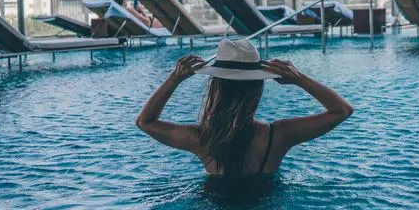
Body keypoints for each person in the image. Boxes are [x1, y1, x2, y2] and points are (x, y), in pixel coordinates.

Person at [135, 39, 354, 177]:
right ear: (258, 89)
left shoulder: (202, 140)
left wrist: (174, 79)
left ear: (216, 88)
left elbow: (145, 122)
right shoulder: (278, 136)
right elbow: (342, 110)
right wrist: (300, 79)